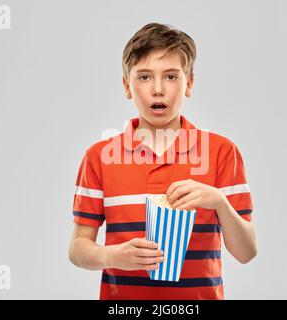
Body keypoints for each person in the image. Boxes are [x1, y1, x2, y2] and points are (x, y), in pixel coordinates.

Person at [68, 22, 257, 300]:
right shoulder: (98, 157)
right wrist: (113, 255)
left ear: (189, 83)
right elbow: (77, 248)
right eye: (144, 77)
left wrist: (219, 202)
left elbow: (247, 252)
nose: (158, 89)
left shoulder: (221, 152)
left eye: (171, 76)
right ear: (127, 86)